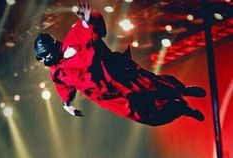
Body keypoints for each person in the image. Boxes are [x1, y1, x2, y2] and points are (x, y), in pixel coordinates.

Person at [34, 1, 206, 126]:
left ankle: (181, 89)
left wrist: (89, 18)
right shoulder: (56, 72)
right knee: (144, 114)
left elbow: (97, 29)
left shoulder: (75, 37)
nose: (45, 60)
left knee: (154, 87)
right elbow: (63, 88)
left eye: (45, 55)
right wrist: (67, 104)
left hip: (119, 74)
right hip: (110, 97)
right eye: (42, 58)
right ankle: (182, 108)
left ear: (54, 46)